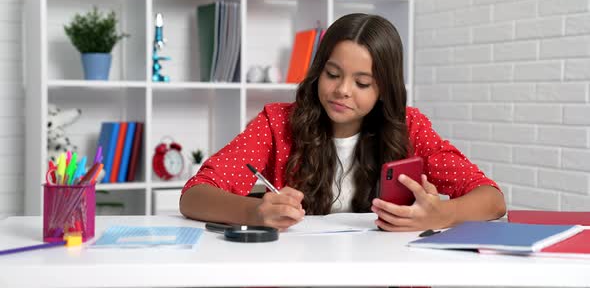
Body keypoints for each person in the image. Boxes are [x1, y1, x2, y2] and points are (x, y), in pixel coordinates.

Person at [180, 13, 506, 232]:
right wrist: (255, 213)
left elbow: (491, 200)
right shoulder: (277, 123)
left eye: (362, 83)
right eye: (333, 74)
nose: (342, 91)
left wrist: (439, 215)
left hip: (384, 273)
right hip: (295, 271)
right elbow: (195, 195)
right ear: (318, 71)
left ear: (383, 90)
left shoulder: (409, 126)